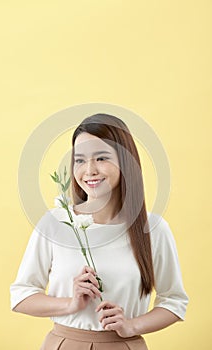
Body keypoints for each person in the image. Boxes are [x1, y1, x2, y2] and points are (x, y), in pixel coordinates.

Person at [10, 113, 189, 350]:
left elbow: (174, 302)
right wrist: (70, 304)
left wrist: (132, 326)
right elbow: (21, 296)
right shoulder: (56, 222)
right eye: (80, 160)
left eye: (101, 158)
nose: (89, 170)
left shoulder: (153, 229)